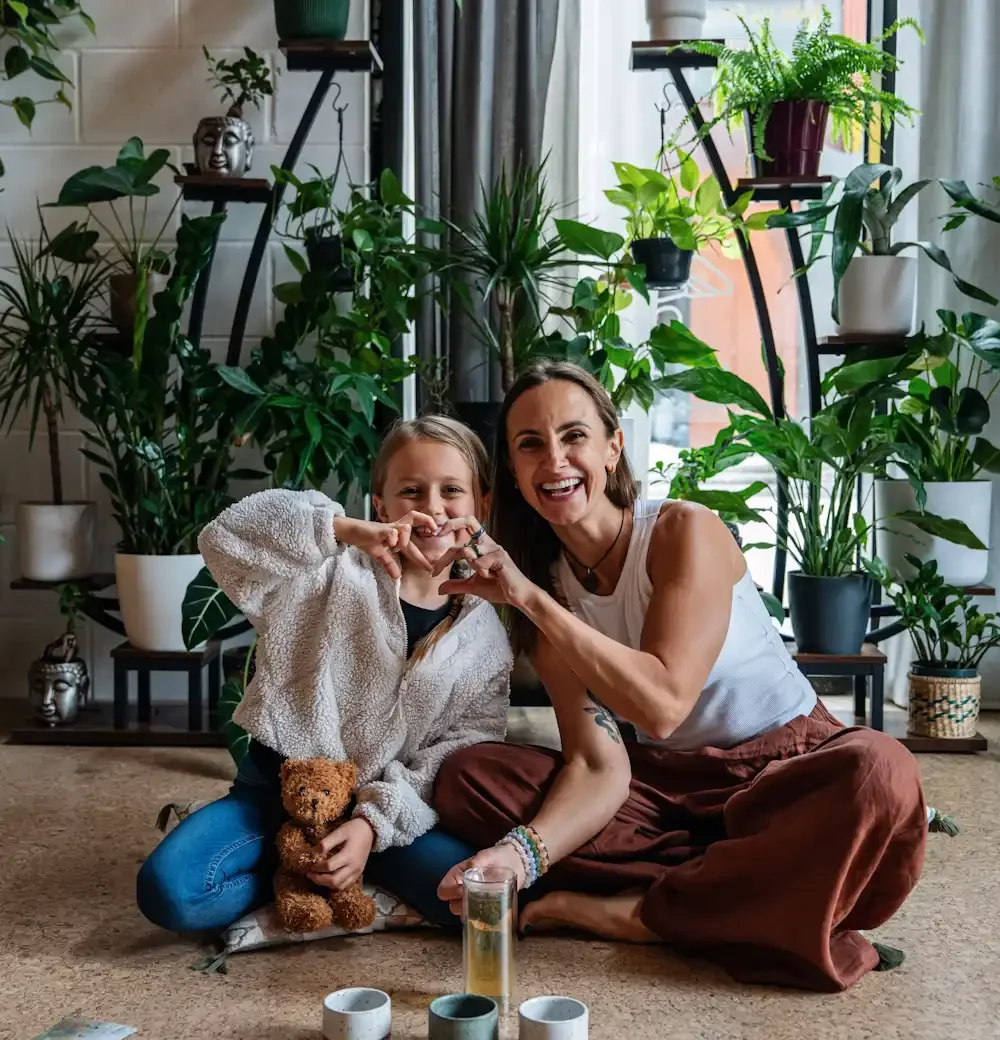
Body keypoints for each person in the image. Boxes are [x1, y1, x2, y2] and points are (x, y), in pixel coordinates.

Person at [429, 361, 927, 993]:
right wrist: (522, 856)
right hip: (663, 794)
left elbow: (663, 702)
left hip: (783, 773)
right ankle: (743, 892)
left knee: (880, 771)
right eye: (530, 444)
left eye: (574, 436)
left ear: (613, 448)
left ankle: (647, 913)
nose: (554, 459)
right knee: (469, 777)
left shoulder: (681, 532)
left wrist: (529, 601)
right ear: (515, 474)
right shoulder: (547, 582)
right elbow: (596, 763)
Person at [136, 416, 509, 934]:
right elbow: (224, 537)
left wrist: (371, 826)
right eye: (410, 491)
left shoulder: (483, 629)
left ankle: (348, 864)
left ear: (481, 505)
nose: (433, 509)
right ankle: (289, 864)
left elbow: (465, 745)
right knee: (169, 892)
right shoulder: (322, 572)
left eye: (452, 491)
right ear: (380, 505)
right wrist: (342, 530)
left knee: (474, 906)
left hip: (383, 815)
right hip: (275, 796)